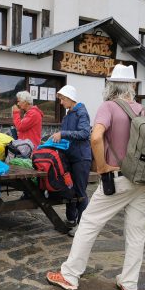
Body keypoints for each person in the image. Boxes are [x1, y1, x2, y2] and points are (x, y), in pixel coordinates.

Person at [46, 64, 145, 290]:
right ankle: (129, 284)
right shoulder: (142, 111)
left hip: (118, 178)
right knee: (136, 234)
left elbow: (95, 135)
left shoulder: (109, 106)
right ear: (131, 87)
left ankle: (70, 275)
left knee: (89, 224)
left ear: (110, 86)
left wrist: (102, 166)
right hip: (144, 181)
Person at [50, 85, 92, 237]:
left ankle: (83, 227)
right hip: (70, 157)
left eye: (62, 99)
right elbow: (67, 137)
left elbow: (84, 133)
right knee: (70, 190)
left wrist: (62, 133)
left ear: (69, 98)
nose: (61, 103)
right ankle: (71, 220)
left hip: (81, 158)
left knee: (80, 192)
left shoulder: (81, 112)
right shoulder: (68, 114)